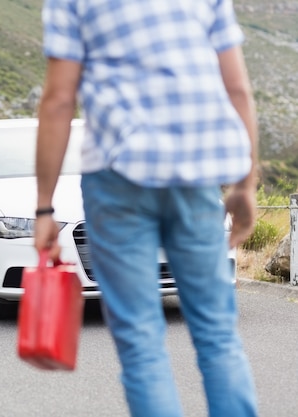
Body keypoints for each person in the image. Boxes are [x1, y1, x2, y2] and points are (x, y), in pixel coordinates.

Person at [34, 1, 259, 416]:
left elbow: (59, 101)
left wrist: (45, 209)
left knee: (141, 341)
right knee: (217, 335)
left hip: (117, 178)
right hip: (195, 175)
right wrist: (246, 183)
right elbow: (238, 88)